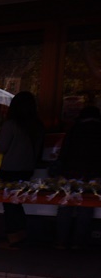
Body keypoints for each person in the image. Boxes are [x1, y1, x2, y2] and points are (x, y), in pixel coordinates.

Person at [0, 91, 44, 249]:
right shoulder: (38, 125)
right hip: (27, 169)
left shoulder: (11, 124)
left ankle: (14, 239)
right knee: (18, 202)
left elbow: (1, 148)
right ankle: (20, 236)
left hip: (10, 168)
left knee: (10, 204)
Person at [53, 105, 101, 249]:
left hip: (70, 173)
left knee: (65, 206)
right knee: (86, 207)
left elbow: (64, 153)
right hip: (92, 175)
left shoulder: (74, 129)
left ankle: (61, 241)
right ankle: (79, 242)